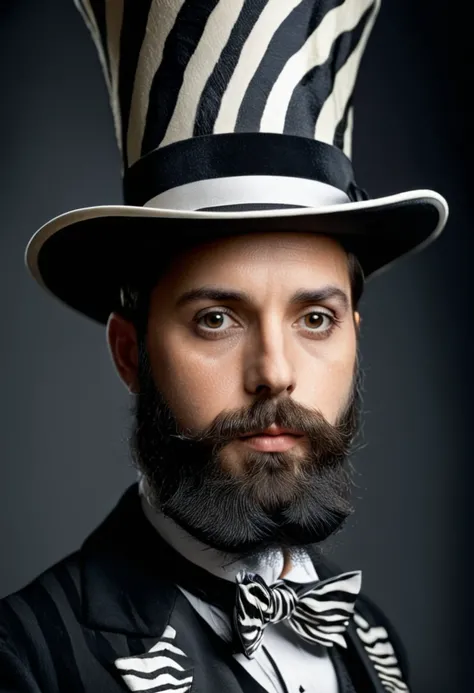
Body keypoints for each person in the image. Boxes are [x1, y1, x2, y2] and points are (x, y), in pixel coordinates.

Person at [0, 0, 448, 691]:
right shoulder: (26, 659)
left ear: (355, 339)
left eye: (315, 319)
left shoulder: (374, 643)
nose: (274, 372)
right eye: (216, 319)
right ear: (130, 353)